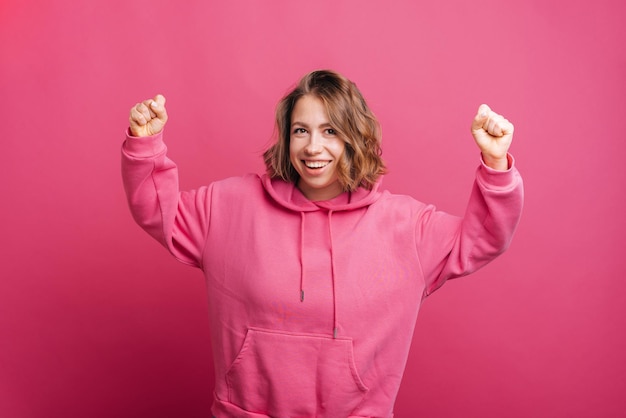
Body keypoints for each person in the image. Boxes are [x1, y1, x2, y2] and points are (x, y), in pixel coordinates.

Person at [121, 70, 523, 417]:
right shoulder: (228, 207)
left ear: (356, 137)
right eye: (301, 130)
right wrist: (146, 145)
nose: (313, 147)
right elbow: (162, 213)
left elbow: (484, 236)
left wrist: (495, 166)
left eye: (330, 130)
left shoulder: (407, 228)